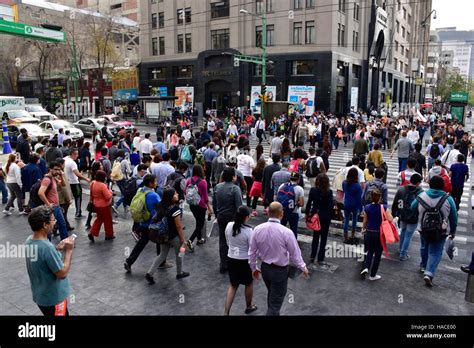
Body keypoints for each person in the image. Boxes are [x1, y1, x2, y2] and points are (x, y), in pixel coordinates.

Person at [249, 202, 309, 316]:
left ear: (268, 213)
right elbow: (295, 254)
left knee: (272, 297)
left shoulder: (257, 229)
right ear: (281, 214)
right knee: (275, 304)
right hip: (280, 272)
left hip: (265, 269)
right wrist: (303, 268)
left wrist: (253, 268)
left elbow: (252, 252)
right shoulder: (287, 232)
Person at [25, 206, 74, 316]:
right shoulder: (47, 248)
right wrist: (69, 251)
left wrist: (56, 249)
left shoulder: (29, 240)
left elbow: (42, 259)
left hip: (40, 295)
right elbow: (62, 273)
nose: (54, 222)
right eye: (53, 220)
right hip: (53, 298)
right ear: (45, 225)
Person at [411, 176, 458, 287]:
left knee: (424, 247)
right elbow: (454, 217)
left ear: (429, 185)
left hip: (424, 229)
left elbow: (413, 208)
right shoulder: (448, 199)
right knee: (435, 251)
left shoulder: (421, 196)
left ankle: (423, 265)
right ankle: (429, 272)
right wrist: (453, 231)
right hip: (441, 231)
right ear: (443, 186)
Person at [145, 187, 190, 284]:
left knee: (162, 255)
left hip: (163, 236)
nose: (177, 194)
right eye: (175, 193)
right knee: (181, 253)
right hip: (174, 237)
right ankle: (179, 272)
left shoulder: (161, 206)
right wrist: (183, 240)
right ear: (171, 197)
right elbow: (178, 226)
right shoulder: (175, 209)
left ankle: (150, 273)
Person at [124, 175, 165, 272]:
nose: (156, 183)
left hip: (143, 223)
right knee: (160, 241)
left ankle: (129, 261)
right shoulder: (153, 195)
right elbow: (161, 207)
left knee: (141, 244)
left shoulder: (140, 190)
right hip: (153, 223)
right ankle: (161, 262)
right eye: (155, 181)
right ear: (151, 183)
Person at [224, 206, 257, 315]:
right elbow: (252, 250)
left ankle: (226, 312)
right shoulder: (249, 231)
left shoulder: (229, 225)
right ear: (246, 217)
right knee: (248, 283)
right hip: (244, 261)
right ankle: (249, 306)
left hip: (231, 258)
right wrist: (254, 266)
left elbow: (228, 242)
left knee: (233, 285)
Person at [213, 167, 243, 274]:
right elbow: (239, 207)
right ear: (233, 177)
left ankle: (223, 264)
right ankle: (232, 263)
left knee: (222, 241)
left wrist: (217, 215)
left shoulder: (217, 187)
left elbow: (214, 204)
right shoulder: (235, 189)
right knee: (234, 241)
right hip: (232, 218)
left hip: (221, 217)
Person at [360, 189, 393, 281]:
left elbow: (365, 221)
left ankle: (366, 267)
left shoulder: (367, 207)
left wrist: (363, 229)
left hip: (369, 232)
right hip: (379, 234)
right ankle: (373, 275)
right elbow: (390, 219)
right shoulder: (384, 207)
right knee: (378, 254)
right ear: (380, 198)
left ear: (371, 197)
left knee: (370, 251)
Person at [392, 173, 424, 261]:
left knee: (403, 231)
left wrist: (394, 212)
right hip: (413, 216)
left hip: (402, 214)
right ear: (418, 183)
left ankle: (400, 249)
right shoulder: (420, 192)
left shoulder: (402, 189)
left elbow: (396, 201)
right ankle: (403, 253)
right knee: (408, 235)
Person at [306, 173, 333, 265]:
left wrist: (307, 214)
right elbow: (330, 206)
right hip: (326, 216)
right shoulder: (329, 192)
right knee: (324, 237)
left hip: (315, 216)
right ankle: (321, 257)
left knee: (316, 236)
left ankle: (313, 254)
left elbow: (309, 203)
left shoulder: (313, 190)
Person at [38, 161, 69, 241]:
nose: (57, 171)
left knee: (62, 224)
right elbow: (40, 193)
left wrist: (61, 176)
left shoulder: (53, 178)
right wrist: (48, 204)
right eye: (55, 169)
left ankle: (65, 242)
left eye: (59, 170)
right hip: (51, 208)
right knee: (49, 228)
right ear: (50, 169)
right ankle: (48, 244)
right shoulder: (47, 180)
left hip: (56, 207)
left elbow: (62, 185)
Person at [186, 165, 213, 250]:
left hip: (192, 205)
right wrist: (209, 207)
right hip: (201, 206)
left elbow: (185, 191)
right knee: (200, 225)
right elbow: (205, 197)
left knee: (198, 221)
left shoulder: (189, 180)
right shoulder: (203, 182)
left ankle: (199, 239)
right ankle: (190, 240)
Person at [88, 170, 114, 242]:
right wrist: (111, 192)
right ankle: (109, 235)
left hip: (96, 204)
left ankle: (92, 232)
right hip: (104, 205)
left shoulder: (93, 183)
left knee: (99, 219)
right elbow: (108, 196)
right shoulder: (103, 185)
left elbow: (91, 194)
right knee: (108, 220)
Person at [65, 149, 91, 220]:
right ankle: (78, 213)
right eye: (76, 154)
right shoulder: (72, 163)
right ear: (73, 154)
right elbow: (77, 174)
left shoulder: (65, 159)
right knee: (78, 197)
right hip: (74, 182)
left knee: (68, 199)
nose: (77, 156)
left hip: (67, 182)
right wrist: (86, 179)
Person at [277, 172, 304, 238]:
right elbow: (301, 204)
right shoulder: (299, 189)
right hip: (293, 212)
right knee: (293, 230)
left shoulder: (282, 185)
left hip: (282, 211)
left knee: (281, 229)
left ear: (290, 178)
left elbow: (277, 198)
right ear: (298, 179)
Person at [342, 168, 363, 244]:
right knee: (354, 219)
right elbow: (359, 199)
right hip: (355, 205)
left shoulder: (344, 183)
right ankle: (353, 234)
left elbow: (344, 191)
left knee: (346, 220)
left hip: (346, 204)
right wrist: (361, 209)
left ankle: (345, 236)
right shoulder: (358, 186)